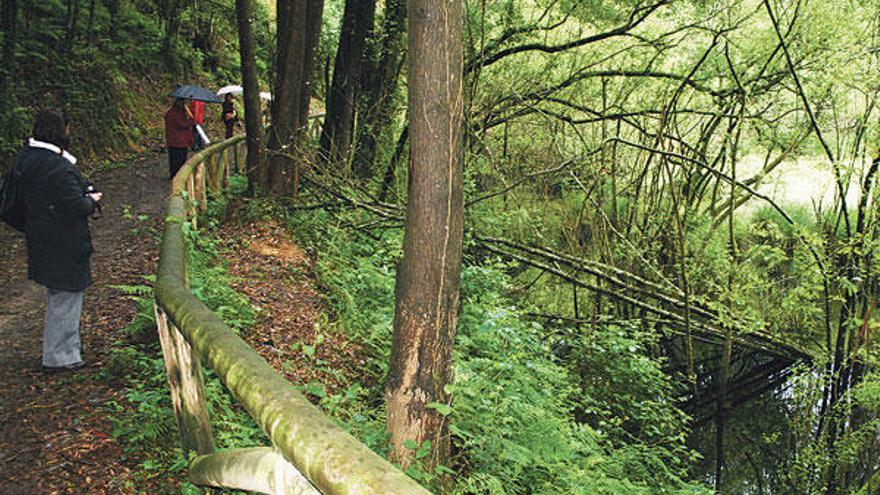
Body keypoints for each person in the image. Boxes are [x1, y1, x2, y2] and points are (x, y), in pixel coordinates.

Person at [12, 108, 102, 371]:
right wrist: (90, 201)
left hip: (41, 235)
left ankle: (60, 350)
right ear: (60, 130)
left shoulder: (27, 159)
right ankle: (60, 356)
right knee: (67, 294)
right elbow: (74, 204)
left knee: (58, 295)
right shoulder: (56, 166)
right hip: (63, 240)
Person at [164, 98, 194, 179]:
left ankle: (177, 175)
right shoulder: (173, 113)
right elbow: (182, 125)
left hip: (180, 141)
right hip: (177, 141)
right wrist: (190, 121)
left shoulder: (179, 113)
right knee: (176, 160)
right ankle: (175, 176)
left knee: (180, 159)